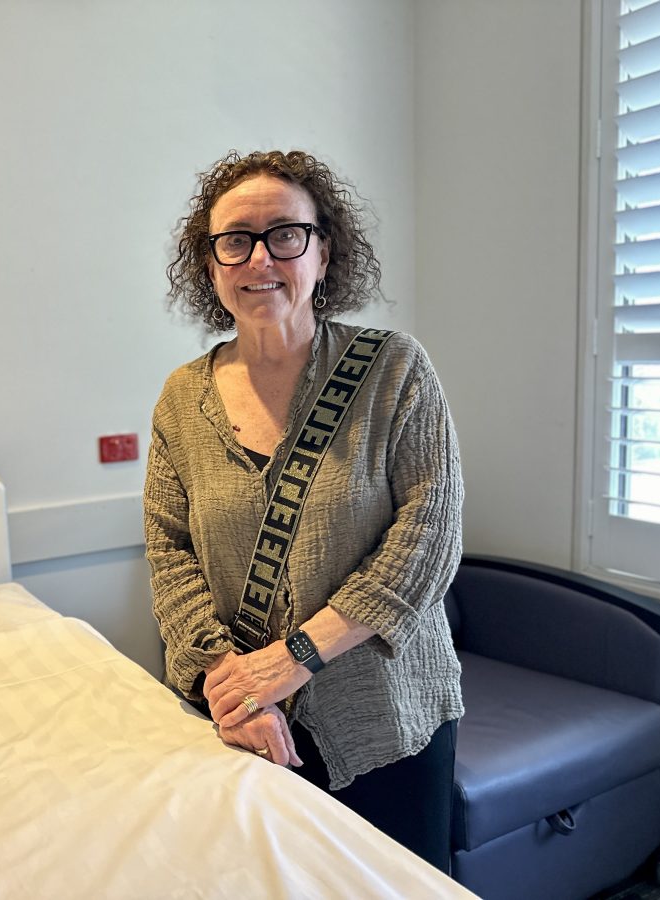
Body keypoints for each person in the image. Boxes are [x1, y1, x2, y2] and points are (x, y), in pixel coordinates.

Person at [143, 149, 464, 872]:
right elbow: (169, 552)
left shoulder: (395, 370)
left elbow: (428, 538)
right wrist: (232, 680)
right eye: (235, 240)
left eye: (285, 234)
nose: (260, 258)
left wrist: (296, 658)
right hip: (245, 724)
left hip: (386, 720)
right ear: (210, 265)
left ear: (324, 251)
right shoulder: (180, 399)